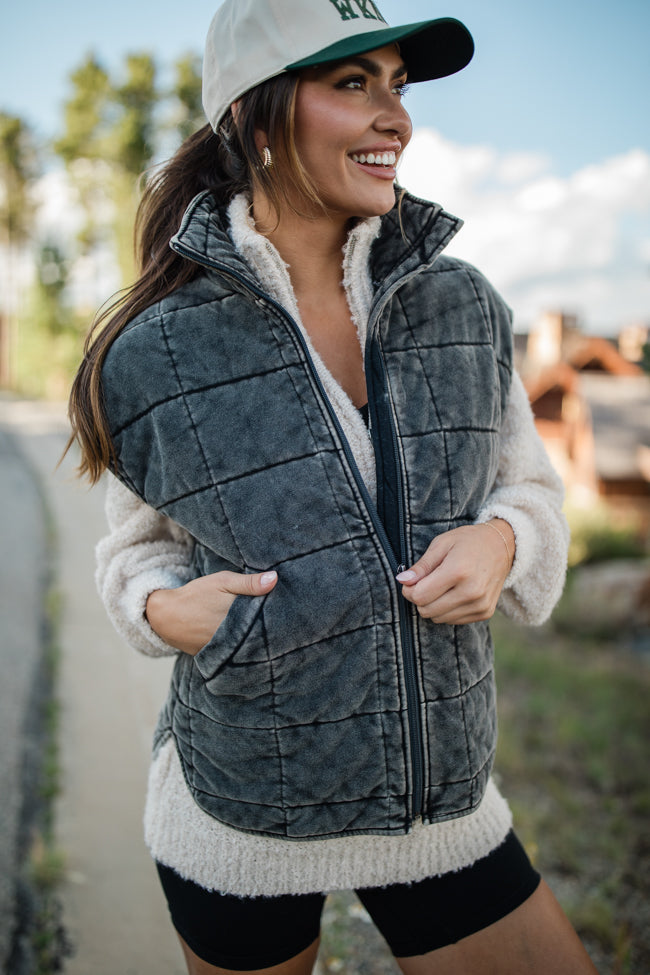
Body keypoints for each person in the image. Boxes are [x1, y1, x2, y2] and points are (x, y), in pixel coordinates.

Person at [67, 0, 598, 972]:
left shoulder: (462, 304)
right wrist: (162, 608)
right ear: (251, 114)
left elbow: (528, 487)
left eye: (396, 85)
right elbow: (132, 548)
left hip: (440, 801)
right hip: (243, 809)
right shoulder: (155, 351)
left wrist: (503, 543)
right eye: (352, 84)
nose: (393, 115)